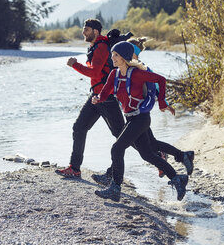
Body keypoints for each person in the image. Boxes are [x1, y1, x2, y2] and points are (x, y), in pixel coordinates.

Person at [92, 41, 189, 202]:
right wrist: (98, 99)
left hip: (141, 119)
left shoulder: (137, 74)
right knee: (147, 155)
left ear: (124, 57)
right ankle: (178, 178)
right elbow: (105, 93)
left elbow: (161, 80)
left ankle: (115, 188)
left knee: (117, 149)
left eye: (116, 55)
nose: (112, 58)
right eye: (112, 55)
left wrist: (163, 103)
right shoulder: (114, 75)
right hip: (130, 118)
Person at [55, 19, 125, 177]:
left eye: (86, 29)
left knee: (122, 135)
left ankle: (157, 155)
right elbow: (96, 72)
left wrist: (75, 65)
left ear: (95, 32)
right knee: (79, 128)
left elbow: (94, 72)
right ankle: (75, 168)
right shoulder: (95, 46)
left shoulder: (100, 47)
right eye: (83, 29)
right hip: (96, 96)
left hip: (106, 98)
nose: (83, 32)